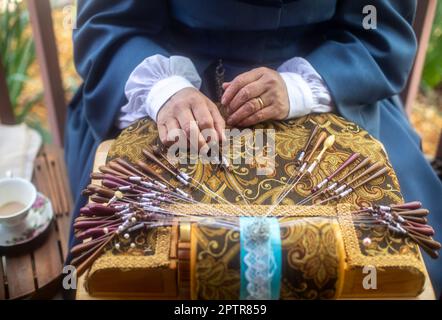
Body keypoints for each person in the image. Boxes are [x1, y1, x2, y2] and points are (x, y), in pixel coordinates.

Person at [67, 0, 442, 297]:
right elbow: (110, 25)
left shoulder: (312, 81)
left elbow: (376, 31)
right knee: (123, 270)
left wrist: (297, 88)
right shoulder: (161, 85)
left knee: (405, 266)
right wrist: (165, 91)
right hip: (165, 84)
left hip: (324, 85)